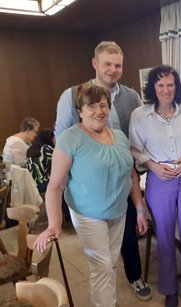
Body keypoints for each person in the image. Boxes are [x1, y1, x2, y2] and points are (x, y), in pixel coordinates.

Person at [54, 41, 152, 301]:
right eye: (107, 64)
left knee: (126, 238)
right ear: (95, 63)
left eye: (117, 65)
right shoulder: (73, 95)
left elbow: (135, 139)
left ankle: (133, 277)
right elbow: (61, 141)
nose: (113, 69)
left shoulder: (131, 96)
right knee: (101, 263)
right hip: (90, 194)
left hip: (122, 182)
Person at [34, 83, 147, 307]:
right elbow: (55, 186)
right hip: (88, 213)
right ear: (80, 111)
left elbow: (131, 175)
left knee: (110, 263)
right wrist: (53, 224)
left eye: (103, 105)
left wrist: (140, 209)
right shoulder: (69, 139)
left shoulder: (120, 137)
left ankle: (107, 300)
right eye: (92, 106)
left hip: (118, 211)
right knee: (102, 266)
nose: (99, 111)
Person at [130, 65, 181, 307]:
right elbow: (135, 149)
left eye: (170, 84)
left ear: (177, 87)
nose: (166, 89)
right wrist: (152, 166)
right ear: (153, 88)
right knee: (163, 237)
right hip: (159, 179)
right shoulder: (139, 116)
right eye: (161, 85)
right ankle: (169, 289)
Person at [25, 128, 55, 193]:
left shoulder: (32, 148)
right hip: (42, 184)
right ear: (51, 138)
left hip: (32, 184)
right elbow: (60, 162)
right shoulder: (47, 149)